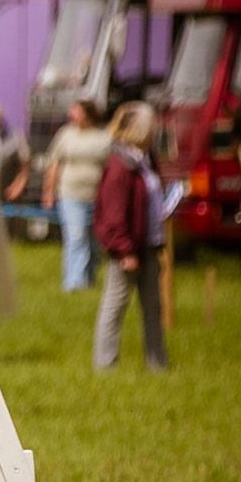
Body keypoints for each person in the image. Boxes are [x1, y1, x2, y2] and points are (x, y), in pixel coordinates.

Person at [91, 101, 169, 371]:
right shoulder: (119, 166)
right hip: (127, 250)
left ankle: (157, 365)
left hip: (148, 245)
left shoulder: (145, 161)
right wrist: (124, 251)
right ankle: (104, 366)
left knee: (153, 308)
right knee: (114, 307)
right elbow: (113, 216)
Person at [42, 99, 111, 291]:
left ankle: (89, 279)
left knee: (94, 242)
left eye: (76, 112)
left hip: (97, 198)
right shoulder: (65, 135)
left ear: (88, 115)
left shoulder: (104, 137)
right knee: (76, 237)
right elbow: (54, 163)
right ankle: (74, 284)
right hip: (70, 194)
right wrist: (48, 191)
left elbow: (110, 168)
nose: (71, 115)